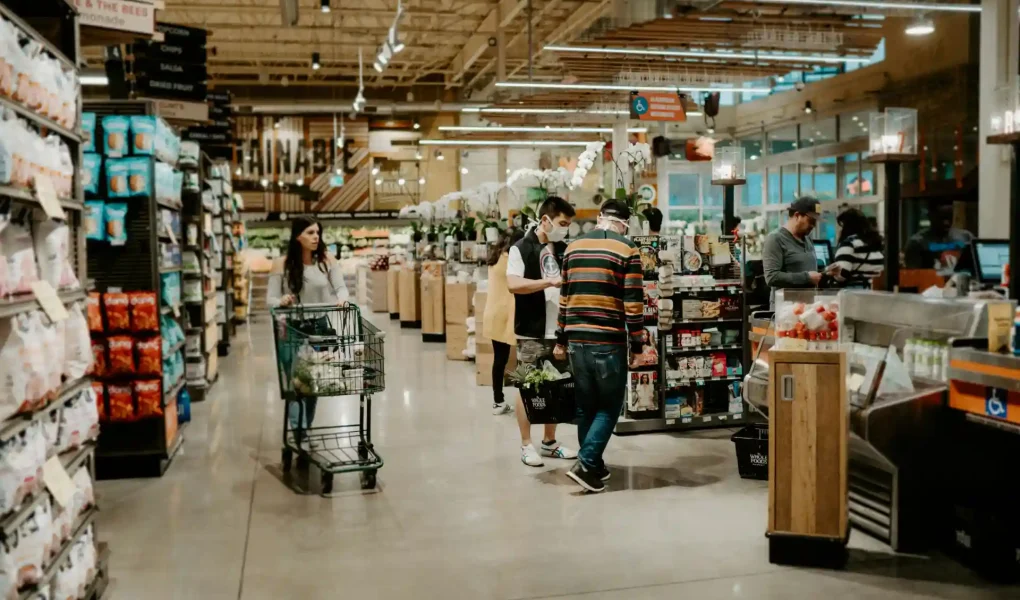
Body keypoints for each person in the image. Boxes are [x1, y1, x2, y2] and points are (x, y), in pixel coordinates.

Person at [554, 200, 644, 492]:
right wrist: (638, 346)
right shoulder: (628, 249)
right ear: (625, 223)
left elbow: (564, 298)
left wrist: (560, 338)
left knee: (586, 406)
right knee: (609, 406)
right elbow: (632, 303)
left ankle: (595, 466)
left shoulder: (572, 247)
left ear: (599, 218)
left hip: (576, 340)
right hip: (607, 340)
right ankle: (586, 462)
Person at [506, 196, 578, 467]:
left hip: (560, 330)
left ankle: (550, 441)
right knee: (528, 387)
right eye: (562, 223)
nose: (565, 228)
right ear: (545, 220)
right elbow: (513, 284)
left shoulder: (565, 249)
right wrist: (547, 281)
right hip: (531, 331)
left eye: (568, 224)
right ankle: (526, 445)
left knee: (557, 387)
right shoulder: (521, 248)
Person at [268, 218, 351, 449]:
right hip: (291, 328)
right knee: (295, 384)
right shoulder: (281, 264)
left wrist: (343, 299)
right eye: (310, 232)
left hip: (318, 327)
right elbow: (270, 299)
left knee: (313, 381)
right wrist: (281, 300)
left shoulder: (326, 261)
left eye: (318, 232)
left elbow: (341, 287)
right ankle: (300, 433)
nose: (316, 236)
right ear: (298, 236)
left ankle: (305, 429)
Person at [482, 228, 523, 415]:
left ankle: (498, 401)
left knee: (499, 359)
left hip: (493, 313)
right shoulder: (510, 261)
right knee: (513, 358)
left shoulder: (496, 257)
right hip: (507, 314)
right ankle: (524, 401)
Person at [762, 196, 822, 303]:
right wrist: (806, 277)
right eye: (811, 220)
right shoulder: (776, 239)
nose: (814, 225)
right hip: (786, 309)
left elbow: (807, 271)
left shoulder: (807, 239)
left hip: (807, 307)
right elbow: (771, 277)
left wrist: (826, 273)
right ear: (797, 215)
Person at [904, 200, 973, 271]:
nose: (946, 223)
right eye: (941, 218)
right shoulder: (917, 242)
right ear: (930, 217)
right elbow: (913, 276)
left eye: (949, 217)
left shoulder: (966, 237)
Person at [825, 208, 884, 288]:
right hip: (877, 291)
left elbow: (842, 276)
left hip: (857, 294)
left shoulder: (849, 243)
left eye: (842, 226)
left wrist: (830, 271)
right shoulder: (876, 242)